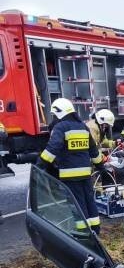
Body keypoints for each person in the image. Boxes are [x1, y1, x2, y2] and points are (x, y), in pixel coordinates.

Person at [37, 98, 104, 234]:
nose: (55, 117)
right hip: (86, 174)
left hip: (70, 175)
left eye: (55, 114)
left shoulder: (61, 127)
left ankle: (84, 233)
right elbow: (94, 151)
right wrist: (101, 167)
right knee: (89, 201)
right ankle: (95, 229)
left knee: (77, 204)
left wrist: (40, 164)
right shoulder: (83, 127)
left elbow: (52, 148)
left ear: (60, 112)